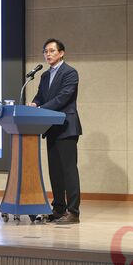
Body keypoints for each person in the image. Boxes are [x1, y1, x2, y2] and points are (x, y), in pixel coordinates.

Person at [29, 38, 82, 224]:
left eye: (52, 51)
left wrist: (41, 109)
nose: (48, 54)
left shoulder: (70, 73)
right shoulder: (44, 76)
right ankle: (58, 209)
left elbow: (63, 97)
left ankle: (73, 212)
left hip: (66, 127)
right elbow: (40, 96)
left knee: (69, 171)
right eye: (45, 51)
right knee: (55, 171)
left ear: (61, 53)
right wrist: (35, 103)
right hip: (51, 127)